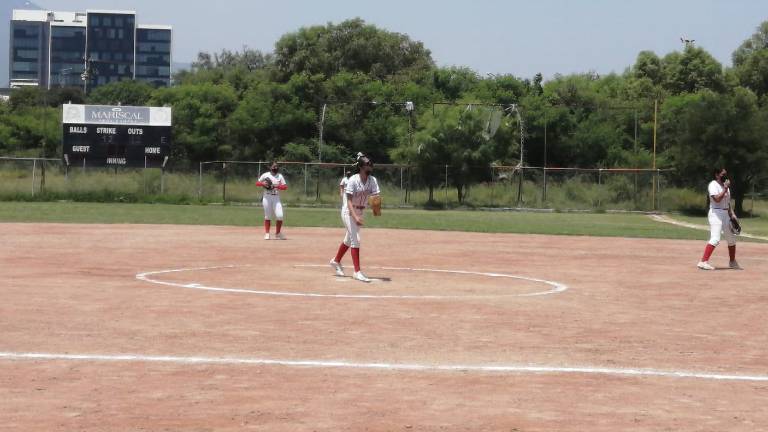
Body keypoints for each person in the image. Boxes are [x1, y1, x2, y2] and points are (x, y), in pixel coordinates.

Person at [329, 153, 380, 282]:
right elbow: (349, 201)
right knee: (355, 239)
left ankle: (336, 261)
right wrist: (355, 216)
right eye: (368, 164)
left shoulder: (372, 180)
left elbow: (376, 196)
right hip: (348, 212)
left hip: (361, 211)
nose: (370, 166)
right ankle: (357, 272)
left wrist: (376, 210)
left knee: (348, 240)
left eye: (371, 164)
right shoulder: (353, 180)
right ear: (361, 167)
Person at [697, 168, 740, 270]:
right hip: (716, 213)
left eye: (725, 174)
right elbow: (716, 199)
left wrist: (733, 215)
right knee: (715, 238)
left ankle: (732, 262)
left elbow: (727, 203)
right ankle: (703, 262)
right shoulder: (713, 185)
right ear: (717, 175)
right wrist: (725, 189)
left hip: (725, 213)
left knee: (731, 239)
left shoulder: (726, 187)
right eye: (722, 174)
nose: (725, 176)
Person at [255, 162, 288, 240]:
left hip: (276, 197)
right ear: (270, 167)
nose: (275, 168)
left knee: (280, 216)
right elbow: (257, 183)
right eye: (273, 166)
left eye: (276, 166)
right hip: (267, 197)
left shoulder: (280, 176)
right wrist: (263, 184)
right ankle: (267, 233)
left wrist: (277, 186)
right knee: (268, 216)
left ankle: (278, 233)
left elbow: (285, 187)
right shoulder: (265, 175)